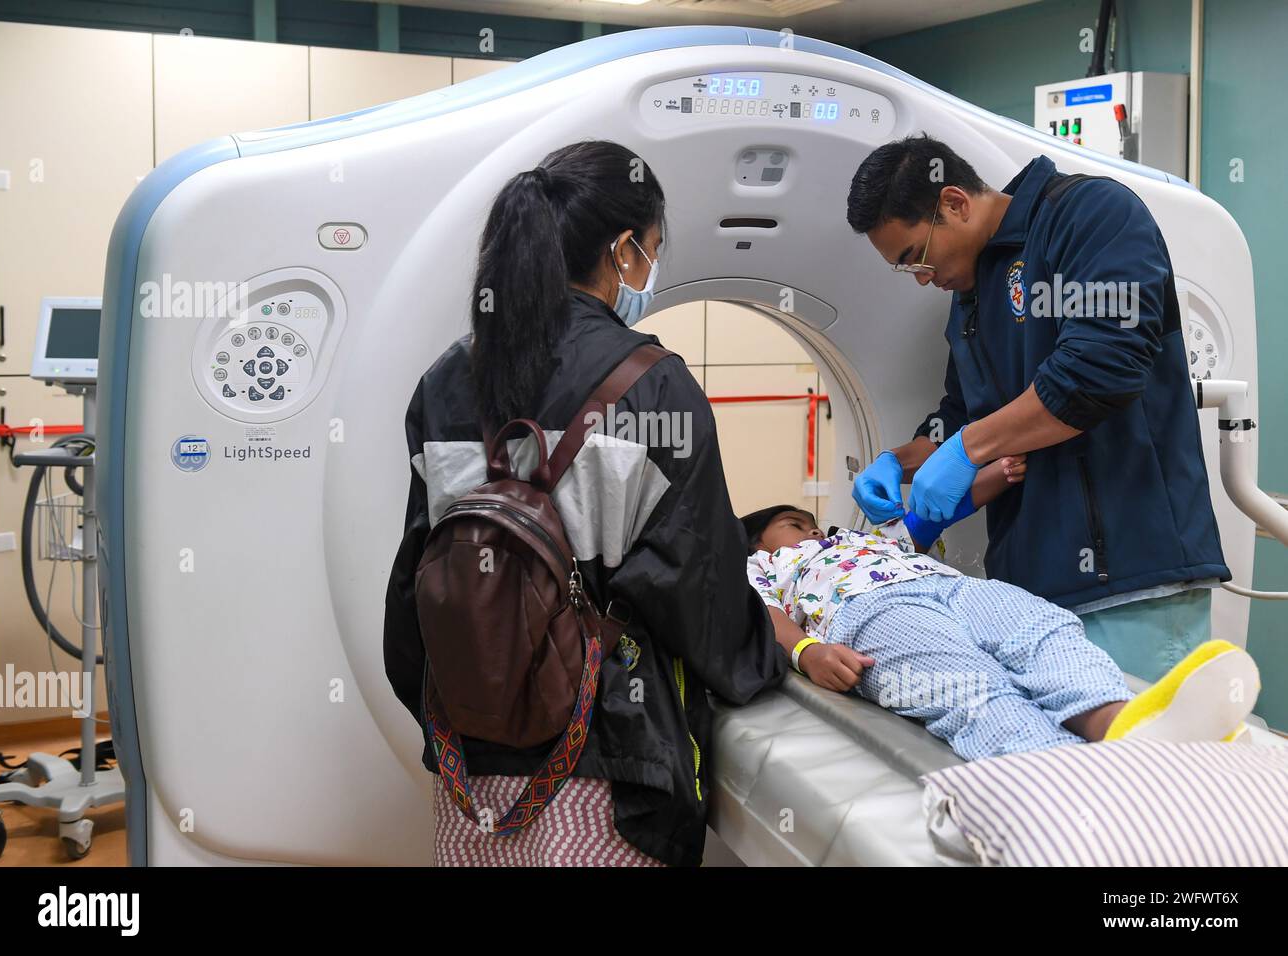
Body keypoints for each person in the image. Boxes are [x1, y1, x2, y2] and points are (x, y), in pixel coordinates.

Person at [382, 140, 787, 867]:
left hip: (470, 761)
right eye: (654, 248)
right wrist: (772, 649)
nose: (651, 268)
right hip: (608, 763)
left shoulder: (444, 380)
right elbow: (695, 591)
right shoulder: (656, 386)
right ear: (625, 250)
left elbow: (418, 577)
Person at [845, 133, 1230, 682]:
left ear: (954, 202)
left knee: (1139, 761)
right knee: (1058, 771)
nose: (924, 278)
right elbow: (963, 412)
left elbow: (1101, 368)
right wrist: (901, 460)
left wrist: (967, 449)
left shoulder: (1089, 214)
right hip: (1028, 593)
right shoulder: (973, 294)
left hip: (1129, 577)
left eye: (917, 257)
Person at [740, 498, 1258, 762]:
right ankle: (1070, 779)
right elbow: (763, 614)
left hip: (957, 587)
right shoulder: (763, 565)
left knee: (1045, 630)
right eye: (793, 522)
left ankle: (1122, 726)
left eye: (812, 521)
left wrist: (994, 463)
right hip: (870, 609)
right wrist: (807, 650)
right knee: (969, 684)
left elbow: (932, 514)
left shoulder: (861, 538)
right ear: (757, 541)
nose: (811, 529)